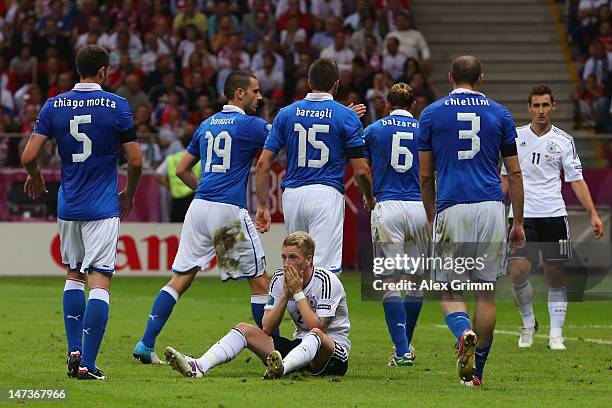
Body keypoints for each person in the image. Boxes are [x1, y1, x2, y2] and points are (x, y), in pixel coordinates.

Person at [132, 71, 274, 364]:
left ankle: (145, 344)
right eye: (255, 91)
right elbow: (285, 137)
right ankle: (269, 351)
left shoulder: (206, 124)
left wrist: (206, 190)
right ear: (239, 93)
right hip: (227, 211)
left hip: (198, 208)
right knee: (259, 282)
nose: (259, 97)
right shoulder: (251, 125)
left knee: (180, 278)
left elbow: (182, 169)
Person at [21, 45, 143, 380]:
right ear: (103, 71)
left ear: (77, 70)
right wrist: (129, 194)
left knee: (74, 273)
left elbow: (29, 155)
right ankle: (87, 364)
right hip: (102, 206)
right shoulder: (116, 105)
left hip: (68, 205)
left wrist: (34, 176)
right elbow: (135, 161)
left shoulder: (54, 105)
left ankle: (74, 350)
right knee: (100, 279)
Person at [418, 56, 525, 387]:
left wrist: (431, 213)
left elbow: (424, 175)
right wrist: (517, 220)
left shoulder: (432, 114)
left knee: (450, 288)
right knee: (486, 292)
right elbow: (515, 172)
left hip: (453, 206)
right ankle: (476, 373)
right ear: (481, 79)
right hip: (491, 207)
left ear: (450, 77)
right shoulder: (500, 114)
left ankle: (463, 330)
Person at [163, 232, 351, 379]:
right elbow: (267, 326)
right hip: (299, 350)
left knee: (316, 334)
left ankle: (282, 368)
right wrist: (285, 296)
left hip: (331, 354)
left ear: (308, 260)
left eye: (293, 257)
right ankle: (199, 366)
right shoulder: (279, 278)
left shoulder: (327, 281)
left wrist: (298, 293)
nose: (287, 263)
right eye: (284, 257)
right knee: (245, 329)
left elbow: (318, 327)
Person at [501, 84, 605, 351]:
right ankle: (527, 324)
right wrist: (494, 207)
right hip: (522, 216)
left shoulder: (564, 140)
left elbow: (577, 181)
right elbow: (505, 179)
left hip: (554, 216)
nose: (541, 111)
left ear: (553, 106)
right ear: (529, 108)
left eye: (545, 105)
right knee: (517, 273)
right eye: (536, 105)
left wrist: (593, 213)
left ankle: (556, 334)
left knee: (555, 274)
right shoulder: (515, 137)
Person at [255, 58, 376, 274]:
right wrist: (368, 196)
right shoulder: (346, 116)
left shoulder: (286, 113)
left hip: (292, 195)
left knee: (297, 263)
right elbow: (361, 170)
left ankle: (297, 307)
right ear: (336, 84)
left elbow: (263, 163)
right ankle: (319, 309)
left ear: (309, 82)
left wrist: (262, 205)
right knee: (324, 270)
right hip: (325, 194)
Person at [364, 83, 427, 366]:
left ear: (386, 104)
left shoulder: (374, 130)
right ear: (413, 106)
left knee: (390, 282)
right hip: (418, 206)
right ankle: (405, 346)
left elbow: (361, 168)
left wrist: (369, 198)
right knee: (416, 282)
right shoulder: (424, 130)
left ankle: (402, 350)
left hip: (386, 206)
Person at [155, 132, 201, 222]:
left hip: (176, 197)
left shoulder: (171, 158)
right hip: (194, 195)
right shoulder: (200, 158)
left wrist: (170, 187)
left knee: (176, 227)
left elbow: (158, 175)